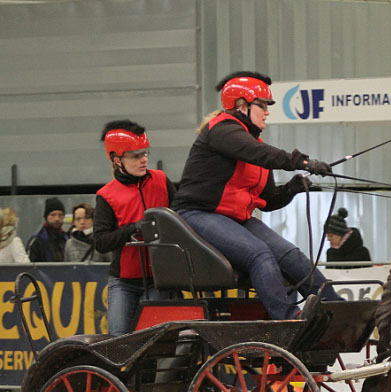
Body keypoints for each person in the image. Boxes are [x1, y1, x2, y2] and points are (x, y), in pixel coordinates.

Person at [172, 70, 341, 320]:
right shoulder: (222, 129)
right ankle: (287, 318)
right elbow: (262, 154)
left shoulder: (253, 145)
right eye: (262, 105)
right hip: (198, 214)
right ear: (242, 105)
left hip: (235, 219)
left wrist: (292, 188)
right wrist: (303, 162)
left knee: (290, 254)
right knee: (259, 254)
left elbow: (270, 200)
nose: (267, 111)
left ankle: (336, 308)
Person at [93, 120, 175, 335]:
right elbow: (100, 242)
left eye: (145, 153)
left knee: (155, 344)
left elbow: (182, 217)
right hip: (124, 282)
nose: (144, 159)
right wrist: (132, 228)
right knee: (119, 345)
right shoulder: (106, 195)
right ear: (116, 159)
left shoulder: (161, 180)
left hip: (161, 280)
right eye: (135, 155)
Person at [27, 197, 68, 262]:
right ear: (46, 217)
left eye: (60, 215)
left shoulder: (67, 239)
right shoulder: (37, 240)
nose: (57, 219)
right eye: (53, 215)